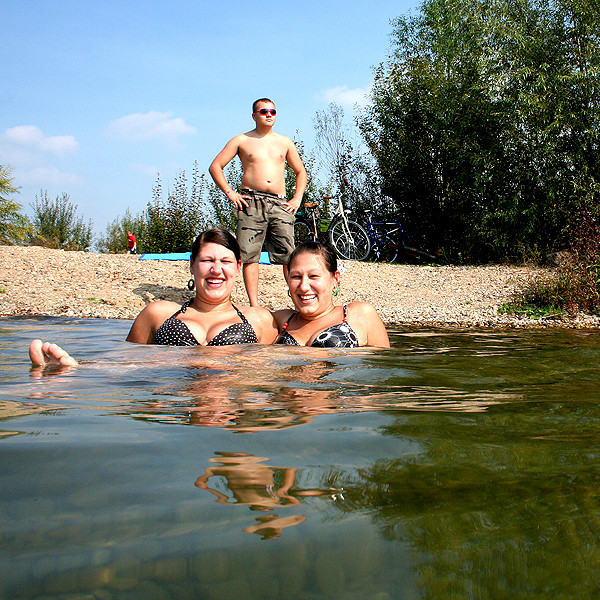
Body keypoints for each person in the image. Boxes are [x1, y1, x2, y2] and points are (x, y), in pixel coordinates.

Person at [29, 229, 279, 367]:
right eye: (207, 261)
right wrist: (75, 368)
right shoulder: (158, 313)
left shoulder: (258, 320)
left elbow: (278, 372)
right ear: (192, 265)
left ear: (237, 267)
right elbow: (122, 364)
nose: (216, 269)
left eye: (225, 261)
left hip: (230, 404)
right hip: (171, 406)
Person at [209, 98, 307, 307]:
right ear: (254, 115)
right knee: (249, 254)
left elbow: (301, 172)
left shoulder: (285, 142)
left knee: (288, 254)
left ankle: (298, 302)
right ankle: (254, 305)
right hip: (250, 201)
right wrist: (230, 193)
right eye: (264, 111)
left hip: (280, 203)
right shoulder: (241, 140)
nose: (269, 115)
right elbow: (216, 166)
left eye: (272, 111)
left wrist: (297, 198)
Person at [273, 241, 390, 348]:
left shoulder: (359, 314)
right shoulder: (279, 321)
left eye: (313, 276)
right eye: (296, 277)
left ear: (335, 278)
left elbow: (382, 365)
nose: (303, 286)